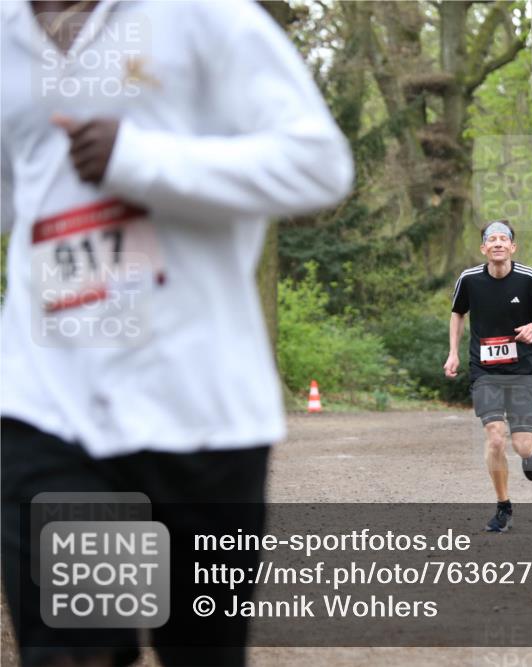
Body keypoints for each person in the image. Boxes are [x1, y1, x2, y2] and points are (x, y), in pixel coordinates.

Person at [1, 1, 354, 665]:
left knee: (200, 653)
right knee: (77, 652)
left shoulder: (201, 14)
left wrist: (140, 158)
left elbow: (318, 165)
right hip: (52, 401)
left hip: (195, 405)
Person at [444, 220, 532, 532]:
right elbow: (457, 313)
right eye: (491, 239)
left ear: (512, 247)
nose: (497, 243)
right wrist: (453, 353)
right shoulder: (469, 280)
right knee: (495, 437)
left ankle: (530, 454)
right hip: (485, 370)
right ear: (483, 248)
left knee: (521, 445)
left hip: (523, 370)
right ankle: (503, 506)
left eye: (502, 239)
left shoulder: (529, 278)